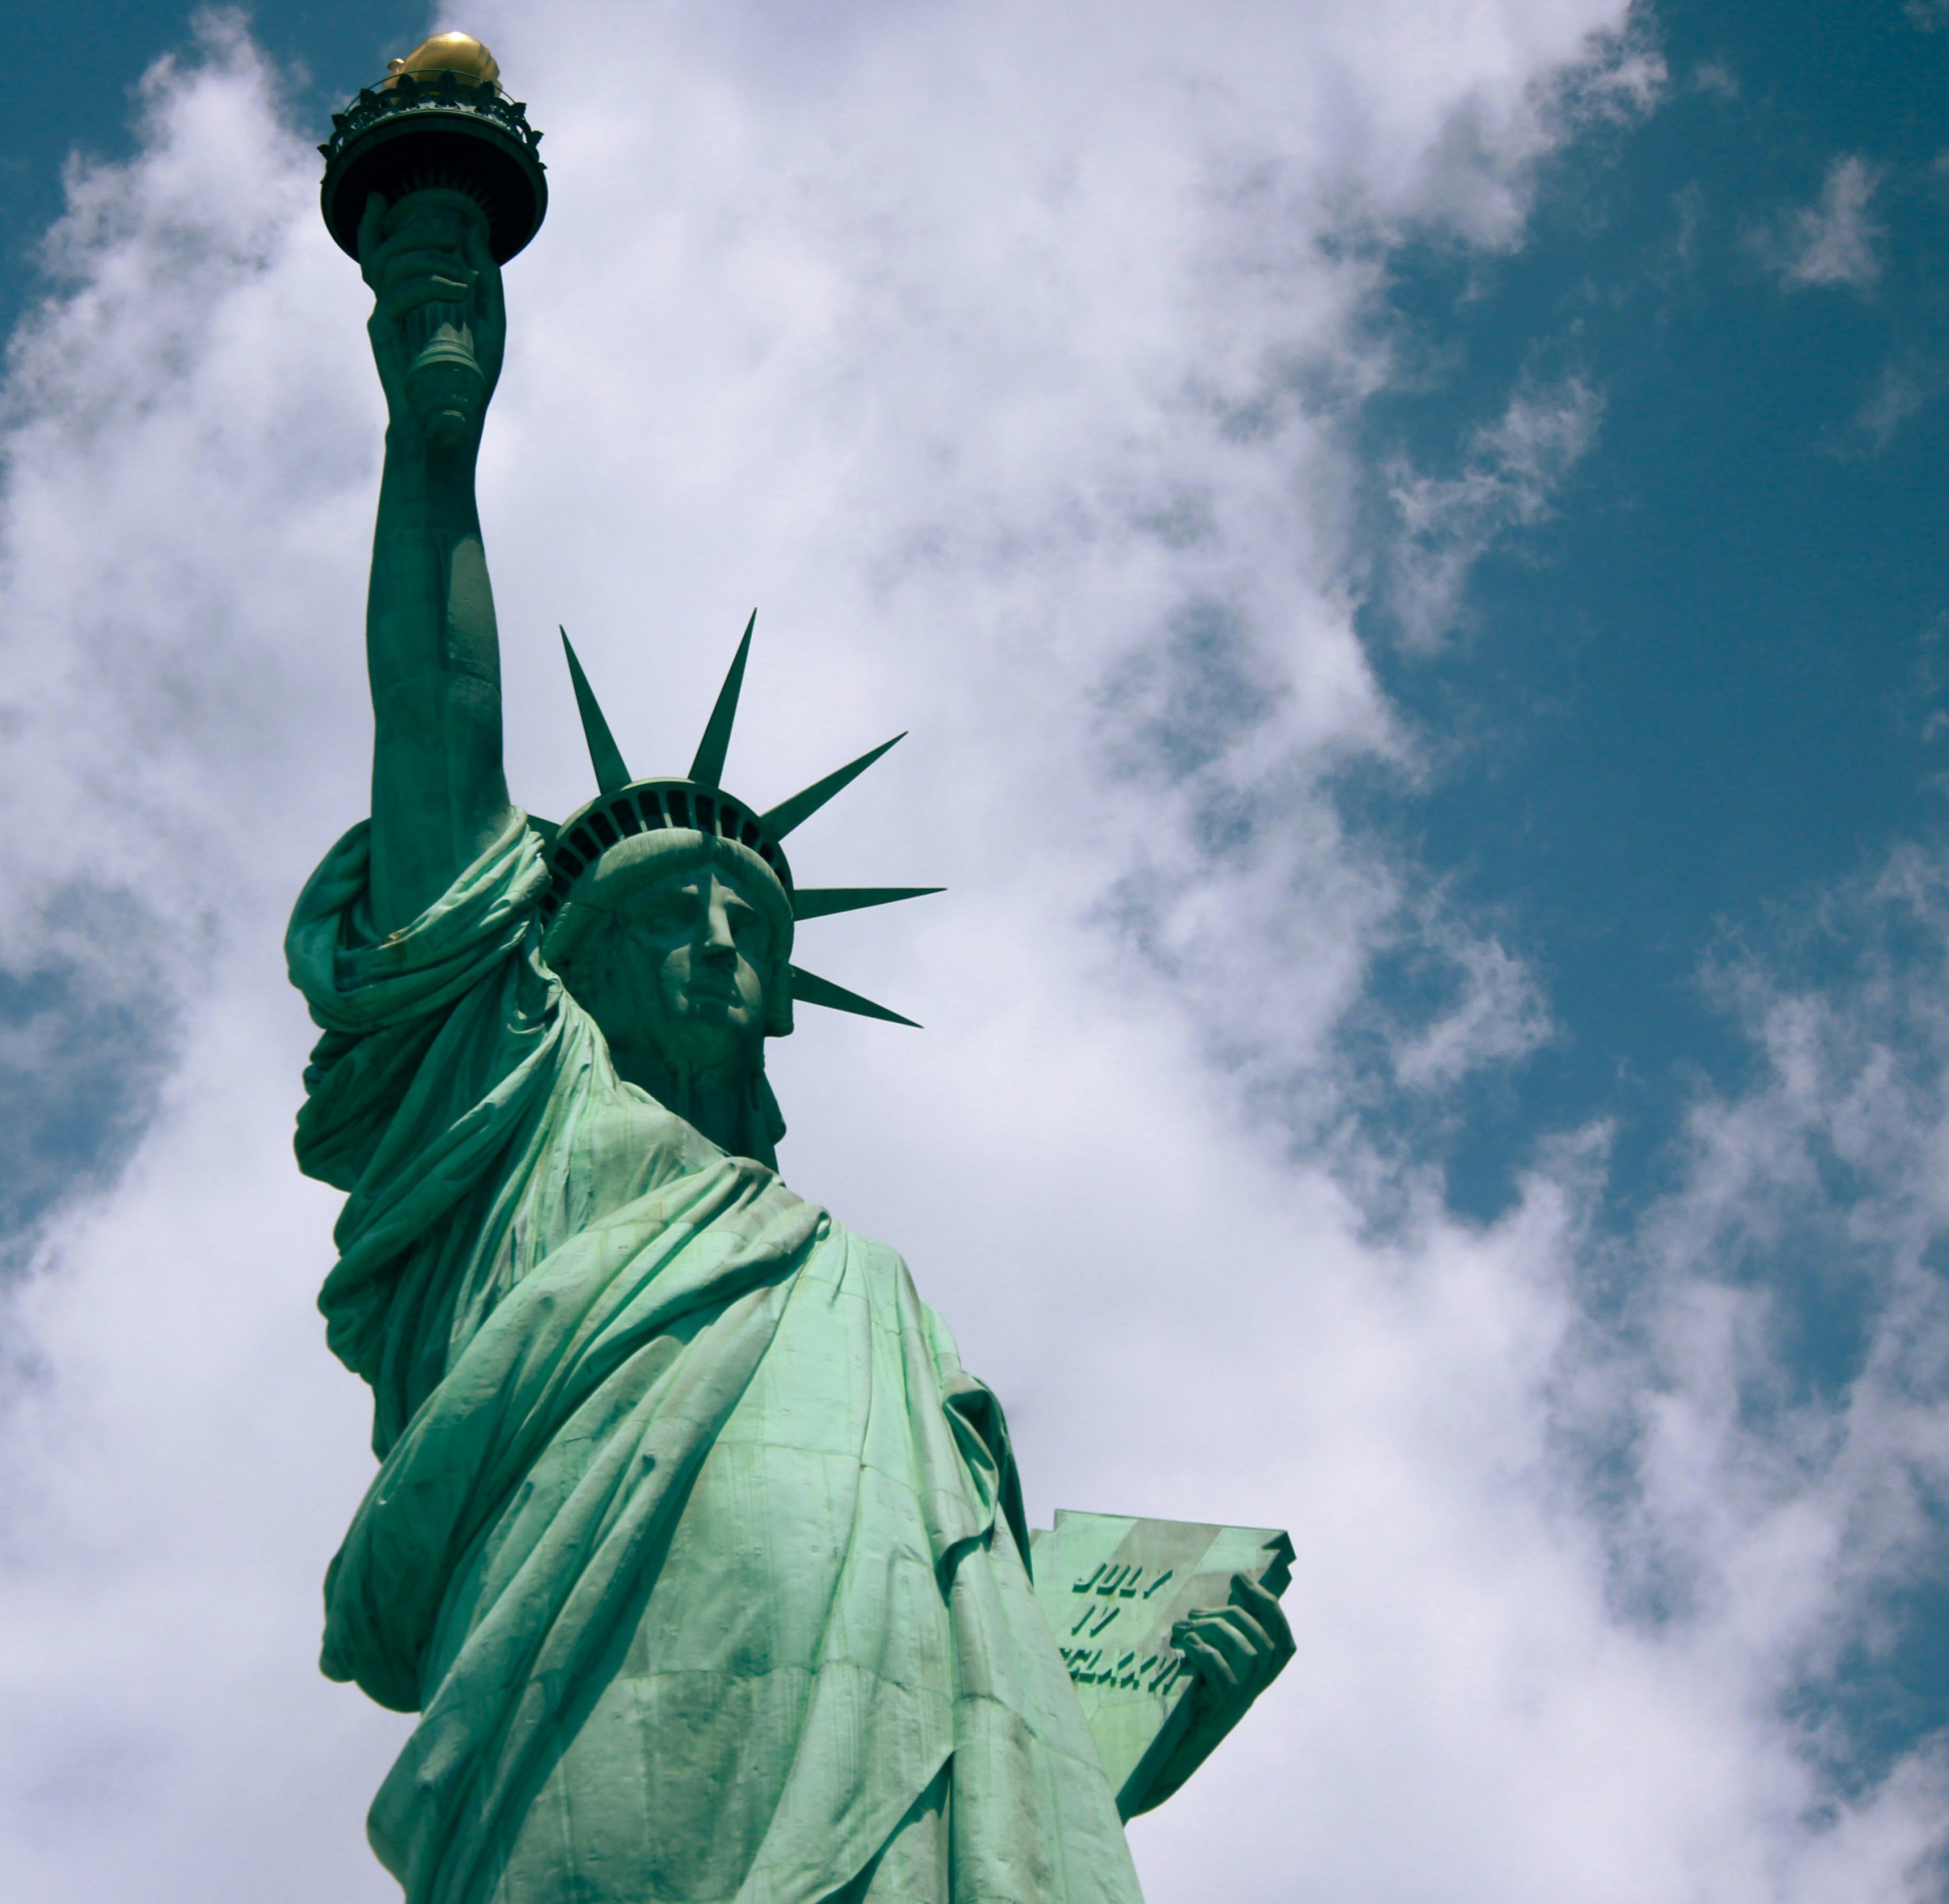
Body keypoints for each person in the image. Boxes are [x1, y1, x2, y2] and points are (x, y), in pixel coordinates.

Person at [287, 183, 1289, 1904]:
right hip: (583, 1762)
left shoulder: (867, 1293)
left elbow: (973, 1668)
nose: (726, 936)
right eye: (671, 907)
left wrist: (1122, 1735)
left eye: (756, 923)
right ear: (553, 961)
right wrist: (432, 430)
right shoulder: (511, 1112)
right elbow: (438, 737)